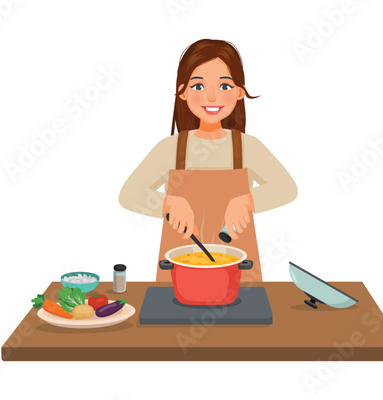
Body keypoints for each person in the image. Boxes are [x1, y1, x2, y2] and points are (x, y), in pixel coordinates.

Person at [119, 39, 297, 281]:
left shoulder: (247, 147)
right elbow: (129, 194)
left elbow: (287, 188)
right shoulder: (170, 148)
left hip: (238, 271)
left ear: (239, 92)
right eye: (198, 86)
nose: (212, 97)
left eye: (224, 86)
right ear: (182, 92)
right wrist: (169, 203)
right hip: (179, 269)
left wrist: (247, 201)